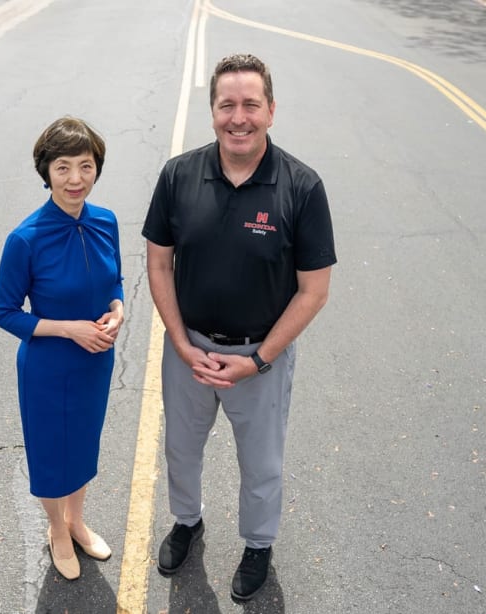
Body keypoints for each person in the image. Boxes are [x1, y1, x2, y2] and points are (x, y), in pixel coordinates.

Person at [142, 54, 336, 601]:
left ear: (271, 110)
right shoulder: (179, 175)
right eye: (227, 104)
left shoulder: (302, 187)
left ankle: (257, 546)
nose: (239, 117)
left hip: (260, 359)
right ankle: (187, 522)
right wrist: (180, 344)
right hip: (191, 353)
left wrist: (257, 360)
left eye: (251, 104)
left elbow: (313, 291)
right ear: (212, 113)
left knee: (262, 463)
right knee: (180, 450)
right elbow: (158, 263)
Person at [0, 116, 124, 581]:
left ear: (97, 169)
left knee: (84, 445)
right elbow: (5, 312)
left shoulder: (106, 221)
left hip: (95, 362)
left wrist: (118, 309)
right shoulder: (25, 239)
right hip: (48, 366)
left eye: (85, 166)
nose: (75, 179)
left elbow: (116, 283)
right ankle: (56, 530)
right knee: (51, 451)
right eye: (63, 167)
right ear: (46, 171)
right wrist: (70, 330)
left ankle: (77, 520)